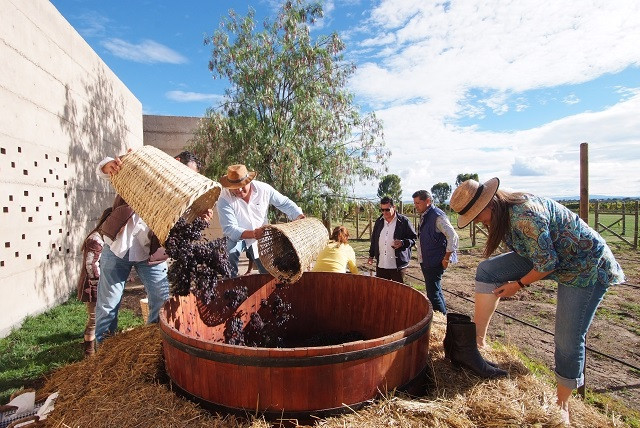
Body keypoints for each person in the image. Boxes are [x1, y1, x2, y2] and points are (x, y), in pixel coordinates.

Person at [449, 177, 625, 424]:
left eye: (478, 216)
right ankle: (477, 343)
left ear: (491, 204)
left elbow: (547, 264)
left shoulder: (524, 216)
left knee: (567, 336)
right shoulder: (504, 215)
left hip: (584, 265)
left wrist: (518, 285)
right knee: (487, 271)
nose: (479, 222)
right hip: (551, 255)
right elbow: (540, 255)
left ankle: (562, 405)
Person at [94, 150, 209, 344]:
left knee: (162, 300)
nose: (185, 179)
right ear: (176, 161)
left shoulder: (181, 193)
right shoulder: (146, 167)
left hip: (151, 254)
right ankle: (103, 352)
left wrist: (199, 217)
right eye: (185, 172)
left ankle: (153, 345)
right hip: (117, 247)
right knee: (108, 306)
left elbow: (183, 224)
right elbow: (108, 168)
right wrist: (107, 165)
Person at [216, 164, 305, 277]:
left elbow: (284, 203)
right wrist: (252, 234)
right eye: (234, 187)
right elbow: (230, 229)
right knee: (229, 254)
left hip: (261, 236)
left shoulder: (264, 189)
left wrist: (298, 215)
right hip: (237, 237)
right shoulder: (223, 199)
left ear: (248, 181)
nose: (238, 189)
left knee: (268, 272)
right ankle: (229, 283)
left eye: (242, 185)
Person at [412, 190, 459, 314]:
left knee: (433, 295)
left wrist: (446, 258)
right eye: (414, 203)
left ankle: (441, 323)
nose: (416, 206)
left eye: (418, 203)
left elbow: (453, 236)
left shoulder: (437, 216)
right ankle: (445, 320)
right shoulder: (426, 214)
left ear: (428, 201)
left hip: (434, 260)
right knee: (436, 291)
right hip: (428, 259)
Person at [76, 206, 112, 356]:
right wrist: (100, 283)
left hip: (100, 284)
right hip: (93, 285)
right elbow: (91, 266)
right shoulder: (95, 239)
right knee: (94, 319)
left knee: (99, 316)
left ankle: (93, 346)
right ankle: (89, 352)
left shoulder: (104, 237)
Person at [367, 196, 417, 283]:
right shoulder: (379, 222)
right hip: (381, 264)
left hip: (397, 266)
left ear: (394, 207)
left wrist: (402, 243)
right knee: (381, 291)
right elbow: (374, 240)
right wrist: (371, 256)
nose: (384, 212)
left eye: (387, 209)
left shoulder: (404, 221)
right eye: (382, 210)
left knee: (398, 292)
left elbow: (413, 239)